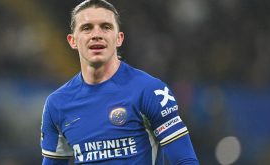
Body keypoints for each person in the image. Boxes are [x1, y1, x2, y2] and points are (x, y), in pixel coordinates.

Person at [40, 0, 199, 164]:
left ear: (119, 38)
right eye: (87, 28)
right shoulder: (57, 104)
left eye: (106, 27)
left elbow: (185, 160)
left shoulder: (150, 91)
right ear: (72, 40)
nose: (97, 34)